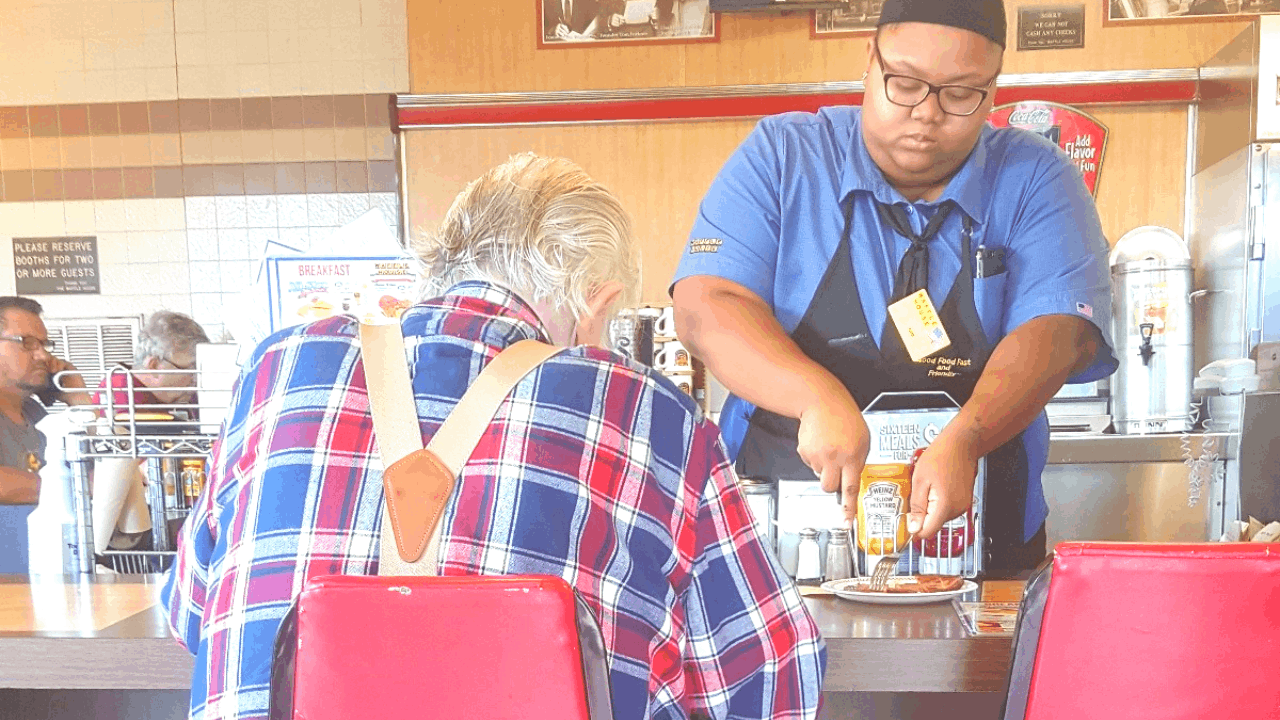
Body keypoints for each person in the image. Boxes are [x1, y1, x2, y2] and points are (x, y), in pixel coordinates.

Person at [163, 153, 825, 720]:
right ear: (597, 304)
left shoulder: (277, 370)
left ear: (443, 261)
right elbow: (769, 673)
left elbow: (190, 613)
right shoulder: (646, 410)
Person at [670, 0, 1117, 573]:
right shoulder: (784, 157)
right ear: (869, 61)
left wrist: (968, 436)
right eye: (904, 83)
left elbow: (1060, 330)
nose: (927, 113)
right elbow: (706, 305)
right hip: (785, 540)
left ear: (994, 88)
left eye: (960, 94)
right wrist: (814, 395)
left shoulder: (1038, 177)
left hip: (980, 530)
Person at [90, 311, 210, 558]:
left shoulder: (169, 396)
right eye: (191, 370)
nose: (195, 381)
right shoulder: (121, 398)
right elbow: (145, 471)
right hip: (124, 532)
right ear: (154, 365)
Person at [0, 296, 87, 504]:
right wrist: (82, 486)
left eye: (44, 344)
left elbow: (95, 466)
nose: (43, 356)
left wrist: (80, 399)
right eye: (27, 343)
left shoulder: (34, 413)